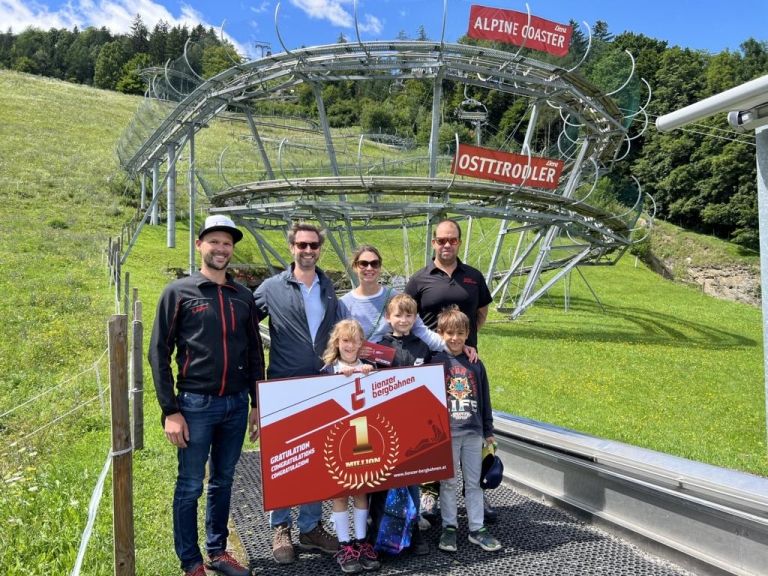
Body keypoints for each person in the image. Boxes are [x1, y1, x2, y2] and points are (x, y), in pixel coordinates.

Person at [149, 214, 265, 576]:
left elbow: (254, 354)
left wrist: (257, 404)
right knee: (189, 485)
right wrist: (171, 411)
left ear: (232, 250)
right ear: (200, 245)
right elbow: (158, 353)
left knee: (224, 480)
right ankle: (190, 561)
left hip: (234, 405)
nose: (220, 248)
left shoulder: (242, 297)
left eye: (227, 243)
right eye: (214, 241)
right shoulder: (179, 292)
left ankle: (218, 551)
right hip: (195, 405)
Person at [254, 222, 341, 564]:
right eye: (301, 245)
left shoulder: (328, 287)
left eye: (313, 245)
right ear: (291, 247)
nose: (308, 250)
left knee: (316, 461)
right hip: (283, 385)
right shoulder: (271, 288)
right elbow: (243, 321)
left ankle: (309, 527)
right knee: (282, 461)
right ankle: (280, 528)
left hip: (320, 385)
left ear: (320, 248)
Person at [404, 218, 497, 523]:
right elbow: (408, 318)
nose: (447, 245)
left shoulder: (473, 276)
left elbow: (481, 311)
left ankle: (475, 494)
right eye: (441, 240)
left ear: (459, 242)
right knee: (433, 430)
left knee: (468, 420)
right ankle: (431, 490)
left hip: (465, 362)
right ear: (433, 243)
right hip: (432, 366)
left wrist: (465, 340)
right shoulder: (419, 280)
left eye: (452, 240)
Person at [432, 306, 502, 554]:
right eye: (449, 333)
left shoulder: (475, 363)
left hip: (472, 431)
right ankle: (449, 527)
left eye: (460, 333)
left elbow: (484, 396)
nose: (455, 338)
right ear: (440, 333)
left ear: (467, 334)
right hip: (448, 432)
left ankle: (477, 528)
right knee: (448, 483)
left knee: (474, 483)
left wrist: (488, 428)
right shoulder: (436, 361)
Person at [368, 294, 431, 556]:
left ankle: (413, 532)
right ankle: (378, 533)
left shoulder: (422, 347)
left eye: (408, 316)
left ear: (414, 318)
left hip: (412, 426)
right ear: (388, 318)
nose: (403, 320)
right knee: (380, 480)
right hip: (383, 426)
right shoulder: (378, 348)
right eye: (398, 315)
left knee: (411, 480)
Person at [319, 319, 380, 573]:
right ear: (337, 342)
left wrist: (367, 373)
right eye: (345, 340)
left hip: (363, 436)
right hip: (337, 438)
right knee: (340, 492)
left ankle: (361, 541)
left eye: (354, 340)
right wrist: (338, 378)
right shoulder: (327, 370)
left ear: (361, 344)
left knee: (361, 491)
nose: (349, 345)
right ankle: (345, 545)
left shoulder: (371, 367)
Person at [339, 245, 444, 350]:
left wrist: (451, 346)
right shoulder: (344, 304)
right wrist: (355, 351)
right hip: (358, 364)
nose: (369, 268)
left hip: (393, 362)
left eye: (375, 264)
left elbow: (420, 331)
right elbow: (335, 341)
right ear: (355, 267)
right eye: (363, 264)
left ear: (380, 267)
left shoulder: (395, 297)